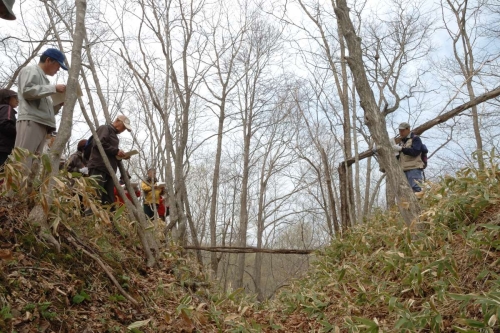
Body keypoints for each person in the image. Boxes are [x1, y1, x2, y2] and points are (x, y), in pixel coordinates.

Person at [15, 48, 67, 161]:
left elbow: (41, 107)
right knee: (22, 161)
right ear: (48, 60)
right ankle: (14, 180)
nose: (58, 70)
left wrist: (58, 105)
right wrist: (54, 88)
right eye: (58, 66)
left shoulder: (44, 82)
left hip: (41, 123)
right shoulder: (30, 70)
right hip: (31, 121)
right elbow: (27, 91)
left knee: (33, 165)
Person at [86, 115, 131, 207]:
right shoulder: (104, 128)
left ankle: (108, 219)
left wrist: (121, 155)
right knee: (94, 195)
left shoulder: (115, 137)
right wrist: (116, 151)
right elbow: (99, 143)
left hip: (109, 171)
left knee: (109, 199)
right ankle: (90, 218)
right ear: (118, 121)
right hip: (98, 167)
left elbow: (110, 151)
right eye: (124, 127)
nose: (124, 130)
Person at [393, 122, 425, 192]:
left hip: (414, 169)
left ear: (408, 129)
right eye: (400, 131)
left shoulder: (415, 139)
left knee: (416, 190)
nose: (401, 132)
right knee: (405, 192)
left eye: (403, 130)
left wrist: (402, 149)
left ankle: (419, 203)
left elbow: (415, 152)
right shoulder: (401, 142)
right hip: (403, 170)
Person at [0, 89, 18, 168]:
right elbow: (5, 124)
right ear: (7, 98)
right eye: (15, 97)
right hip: (3, 148)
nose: (17, 101)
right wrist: (19, 132)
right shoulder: (6, 108)